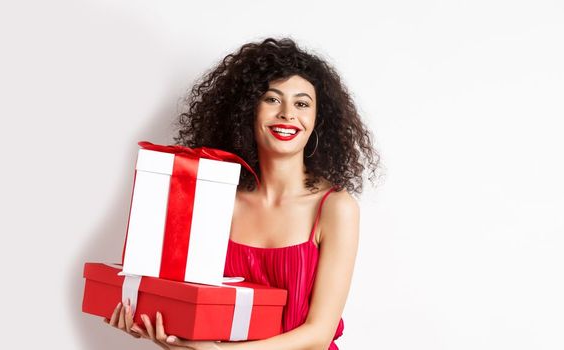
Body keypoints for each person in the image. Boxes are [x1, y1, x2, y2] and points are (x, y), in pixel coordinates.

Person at [106, 37, 380, 350]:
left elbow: (318, 336)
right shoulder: (214, 199)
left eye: (302, 103)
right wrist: (152, 323)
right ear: (247, 110)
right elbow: (193, 310)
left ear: (318, 119)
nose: (288, 114)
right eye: (272, 99)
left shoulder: (336, 208)